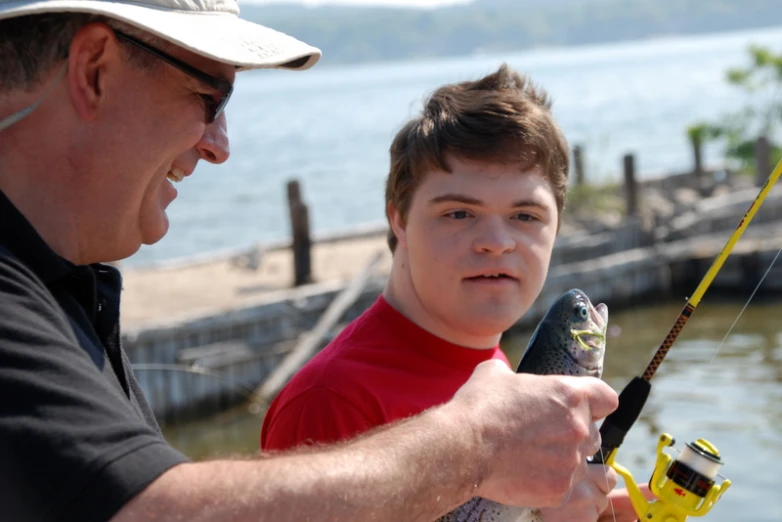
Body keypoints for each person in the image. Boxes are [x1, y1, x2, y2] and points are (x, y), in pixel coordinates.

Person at [0, 1, 620, 521]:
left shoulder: (65, 294)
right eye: (209, 97)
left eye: (526, 215)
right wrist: (480, 442)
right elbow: (146, 511)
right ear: (95, 71)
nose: (221, 146)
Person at [260, 64, 649, 522]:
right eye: (460, 213)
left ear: (556, 228)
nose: (497, 241)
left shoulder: (497, 373)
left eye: (525, 216)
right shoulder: (332, 401)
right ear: (399, 219)